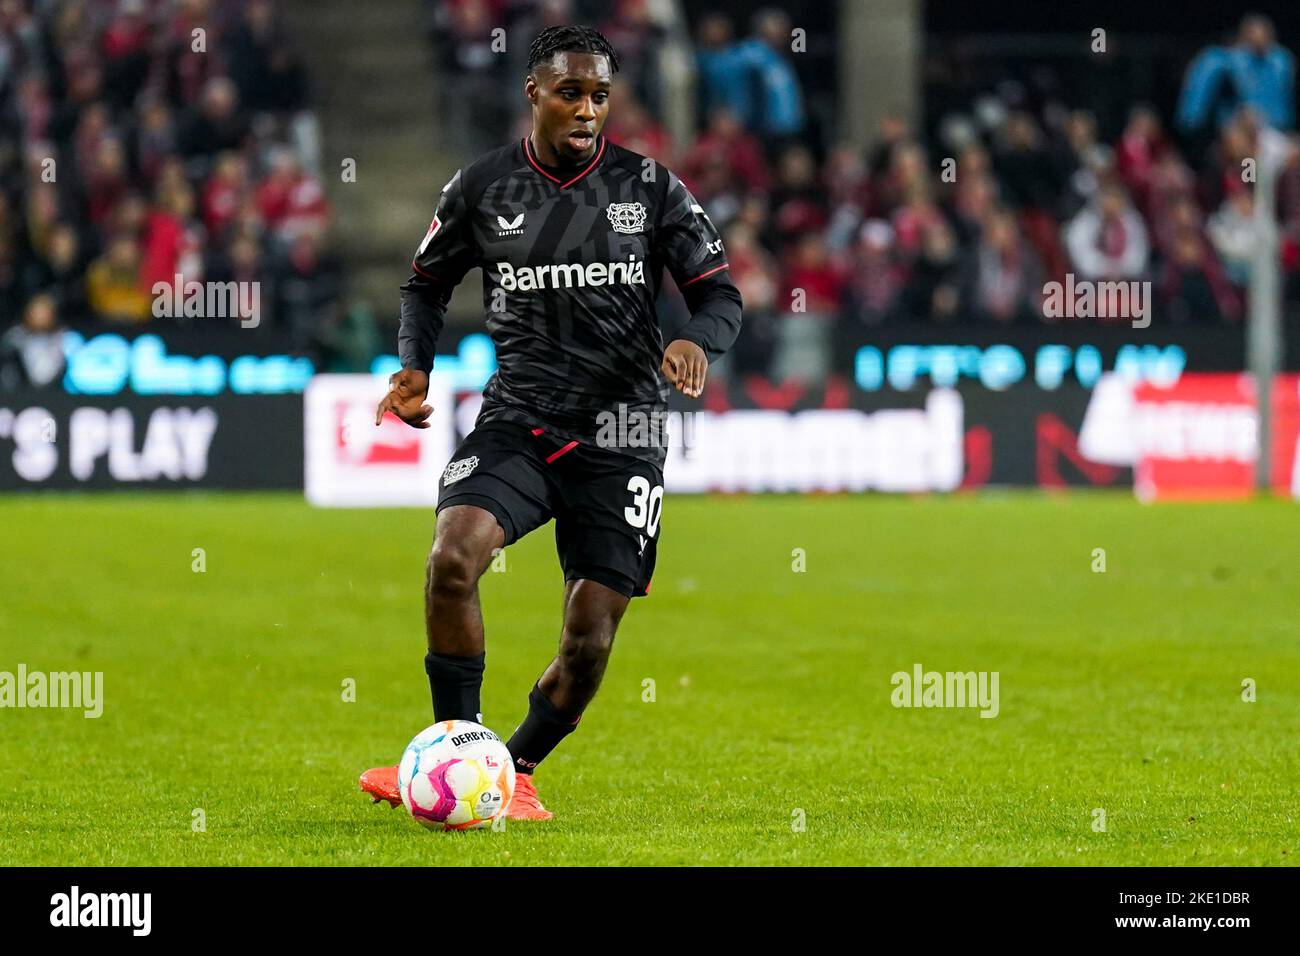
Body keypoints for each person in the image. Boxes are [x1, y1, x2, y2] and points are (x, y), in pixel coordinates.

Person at [359, 26, 743, 820]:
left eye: (600, 95)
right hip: (521, 418)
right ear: (534, 92)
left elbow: (720, 294)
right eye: (571, 92)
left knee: (589, 639)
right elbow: (423, 286)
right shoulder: (481, 188)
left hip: (625, 433)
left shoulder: (649, 187)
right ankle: (453, 754)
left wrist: (693, 341)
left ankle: (520, 766)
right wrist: (414, 366)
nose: (587, 109)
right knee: (452, 560)